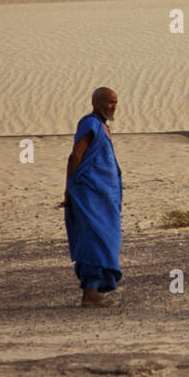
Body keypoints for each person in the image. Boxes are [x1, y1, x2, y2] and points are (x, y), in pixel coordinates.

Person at [64, 87, 123, 307]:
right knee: (94, 240)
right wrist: (69, 188)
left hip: (104, 196)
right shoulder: (89, 124)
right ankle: (90, 294)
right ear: (96, 103)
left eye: (115, 102)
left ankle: (94, 290)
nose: (113, 106)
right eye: (109, 102)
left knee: (106, 239)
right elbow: (75, 156)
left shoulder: (102, 126)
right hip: (89, 194)